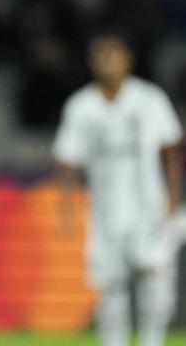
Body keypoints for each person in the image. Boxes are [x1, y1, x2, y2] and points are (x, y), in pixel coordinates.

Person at [54, 32, 183, 346]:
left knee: (155, 280)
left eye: (114, 54)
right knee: (110, 286)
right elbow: (69, 161)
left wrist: (173, 196)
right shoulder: (81, 107)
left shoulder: (150, 100)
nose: (107, 62)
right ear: (91, 62)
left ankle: (153, 341)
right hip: (106, 212)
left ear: (127, 60)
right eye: (101, 55)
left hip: (148, 207)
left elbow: (171, 150)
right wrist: (67, 209)